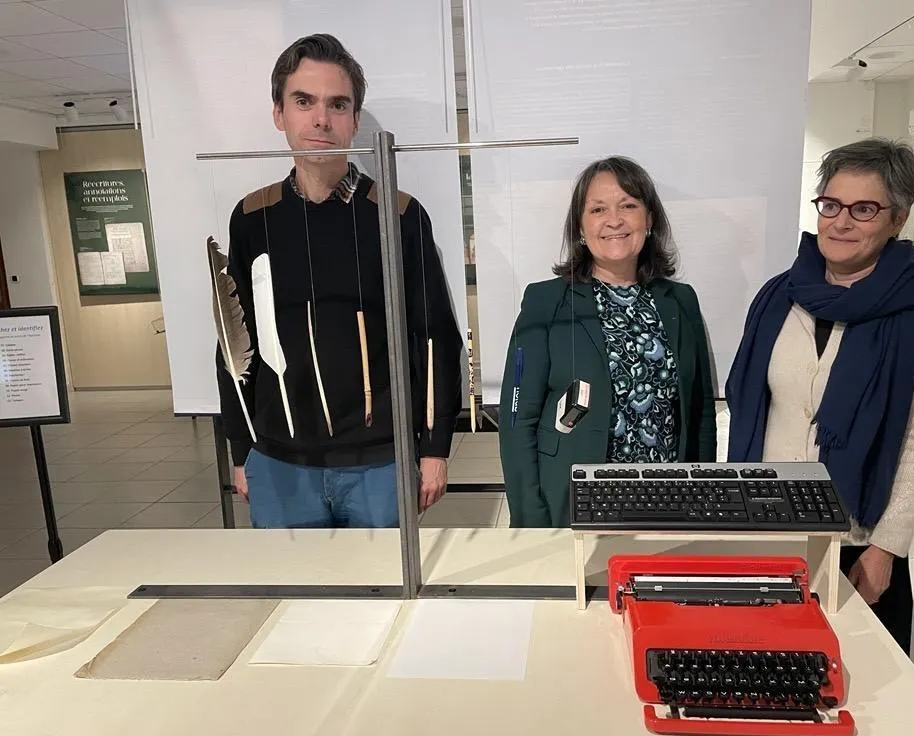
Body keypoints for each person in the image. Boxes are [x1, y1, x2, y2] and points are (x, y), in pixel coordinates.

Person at [214, 34, 463, 528]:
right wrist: (241, 449)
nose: (321, 119)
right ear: (279, 114)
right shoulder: (252, 218)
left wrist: (435, 447)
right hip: (279, 462)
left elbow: (434, 336)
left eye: (337, 104)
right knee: (290, 581)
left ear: (354, 117)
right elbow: (233, 338)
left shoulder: (398, 215)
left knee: (382, 581)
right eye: (303, 101)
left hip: (381, 461)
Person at [726, 137, 914, 654]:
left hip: (856, 539)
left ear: (898, 218)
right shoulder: (778, 296)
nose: (841, 222)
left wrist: (886, 548)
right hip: (770, 528)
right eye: (831, 205)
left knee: (862, 678)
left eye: (864, 209)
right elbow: (754, 408)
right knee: (762, 668)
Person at [498, 156, 717, 527]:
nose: (614, 220)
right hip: (573, 505)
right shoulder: (545, 302)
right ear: (581, 228)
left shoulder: (681, 301)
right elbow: (517, 421)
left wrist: (702, 501)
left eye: (628, 206)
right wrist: (531, 521)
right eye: (598, 209)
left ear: (649, 219)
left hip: (668, 502)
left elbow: (700, 412)